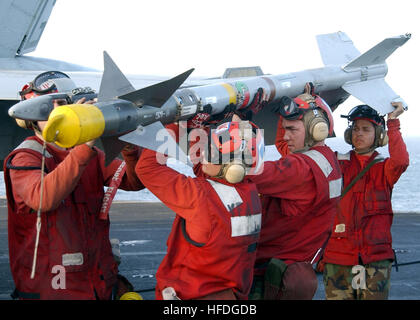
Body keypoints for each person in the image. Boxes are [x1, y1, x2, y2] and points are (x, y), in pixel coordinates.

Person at [4, 71, 144, 300]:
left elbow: (133, 181)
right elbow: (43, 198)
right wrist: (85, 143)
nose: (63, 111)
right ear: (32, 116)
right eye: (54, 106)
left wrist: (128, 144)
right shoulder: (25, 157)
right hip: (52, 288)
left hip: (97, 283)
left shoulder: (87, 152)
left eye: (65, 104)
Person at [135, 118, 264, 300]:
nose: (203, 155)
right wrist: (200, 126)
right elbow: (207, 170)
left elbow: (147, 168)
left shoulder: (201, 196)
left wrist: (176, 126)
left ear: (230, 166)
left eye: (210, 152)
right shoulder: (250, 192)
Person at [249, 85, 342, 300]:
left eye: (292, 129)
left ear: (314, 130)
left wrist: (243, 123)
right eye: (285, 127)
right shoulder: (326, 158)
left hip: (268, 277)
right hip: (292, 270)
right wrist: (299, 98)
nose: (286, 136)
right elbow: (286, 144)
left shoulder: (301, 170)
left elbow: (247, 173)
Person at [321, 103, 409, 300]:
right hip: (339, 259)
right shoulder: (338, 163)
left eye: (365, 129)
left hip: (374, 260)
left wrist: (393, 122)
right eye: (355, 128)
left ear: (378, 135)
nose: (358, 133)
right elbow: (312, 154)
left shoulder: (384, 169)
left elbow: (401, 160)